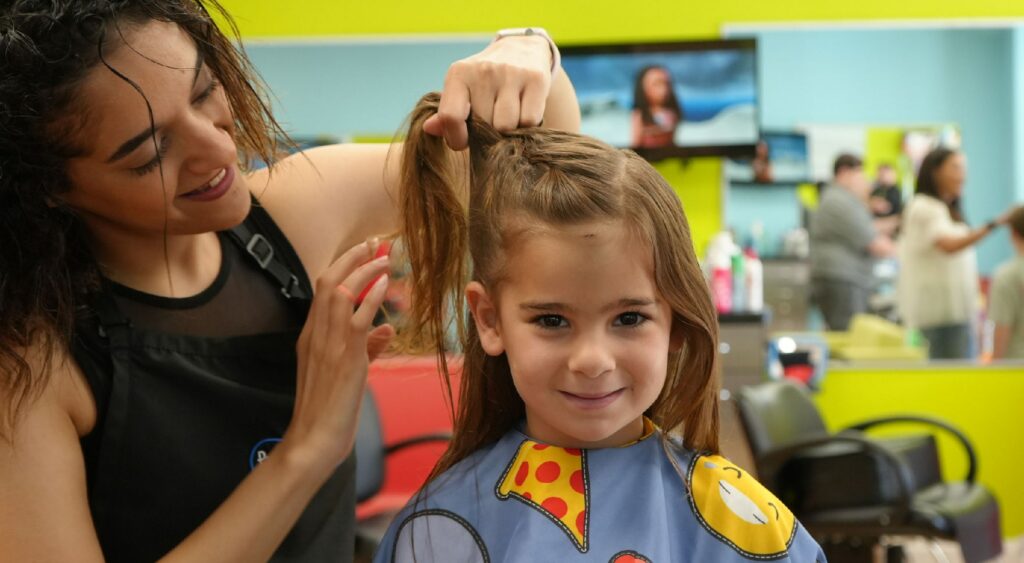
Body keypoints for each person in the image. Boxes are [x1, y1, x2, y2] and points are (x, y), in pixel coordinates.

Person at [0, 2, 580, 561]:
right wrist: (307, 450)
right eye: (150, 152)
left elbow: (536, 176)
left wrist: (528, 50)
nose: (218, 148)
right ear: (48, 186)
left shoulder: (295, 212)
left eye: (205, 94)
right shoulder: (31, 367)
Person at [372, 92, 826, 562]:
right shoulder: (438, 532)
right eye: (552, 320)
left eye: (629, 319)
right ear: (489, 319)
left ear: (676, 321)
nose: (592, 360)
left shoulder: (743, 524)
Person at [898, 147, 1007, 360]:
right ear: (935, 171)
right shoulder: (923, 207)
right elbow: (949, 245)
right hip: (937, 319)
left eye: (963, 168)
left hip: (959, 314)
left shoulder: (949, 210)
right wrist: (994, 224)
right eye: (955, 168)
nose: (962, 175)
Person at [809, 153, 895, 331]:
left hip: (844, 280)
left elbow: (867, 227)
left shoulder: (843, 199)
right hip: (842, 281)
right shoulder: (838, 201)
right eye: (860, 174)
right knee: (847, 337)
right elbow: (873, 242)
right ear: (844, 172)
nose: (865, 181)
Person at [987, 206, 1024, 360]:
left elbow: (1002, 330)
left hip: (1015, 371)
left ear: (1013, 233)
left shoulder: (1006, 277)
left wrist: (995, 372)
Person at [630, 65, 683, 149]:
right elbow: (636, 144)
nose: (663, 89)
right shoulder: (639, 115)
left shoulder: (671, 114)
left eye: (666, 84)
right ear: (643, 87)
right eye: (656, 84)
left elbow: (672, 140)